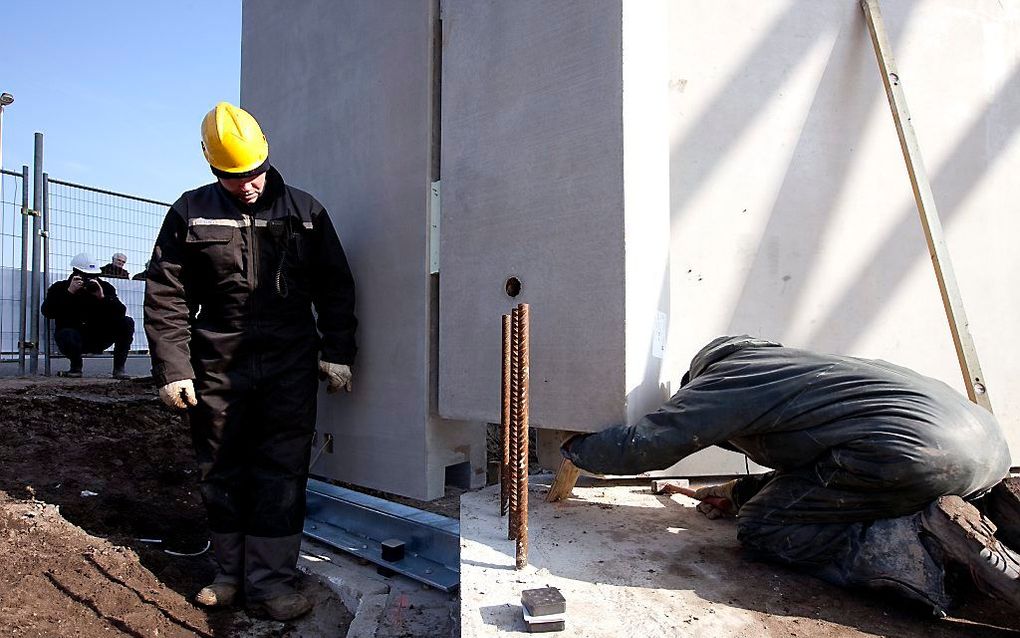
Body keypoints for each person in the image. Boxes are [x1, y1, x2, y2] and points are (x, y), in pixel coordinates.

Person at [562, 335, 1020, 616]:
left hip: (908, 455)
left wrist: (568, 442)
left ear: (701, 372)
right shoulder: (807, 370)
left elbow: (651, 443)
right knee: (857, 483)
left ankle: (914, 551)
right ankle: (991, 515)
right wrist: (732, 491)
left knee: (766, 526)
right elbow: (817, 474)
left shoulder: (729, 376)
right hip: (989, 452)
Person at [144, 102, 357, 621]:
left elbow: (335, 286)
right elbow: (166, 295)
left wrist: (337, 352)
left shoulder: (306, 213)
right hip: (216, 363)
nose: (247, 185)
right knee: (221, 466)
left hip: (289, 363)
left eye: (254, 172)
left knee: (281, 472)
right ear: (212, 168)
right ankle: (227, 574)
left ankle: (272, 583)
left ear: (266, 156)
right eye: (232, 176)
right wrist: (173, 368)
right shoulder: (189, 213)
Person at [41, 252, 134, 379]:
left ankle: (119, 369)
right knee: (67, 332)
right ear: (75, 273)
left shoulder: (105, 288)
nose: (89, 280)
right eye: (85, 276)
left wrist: (102, 297)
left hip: (98, 337)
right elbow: (47, 311)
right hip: (72, 338)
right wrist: (69, 293)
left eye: (93, 276)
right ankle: (75, 368)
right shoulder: (60, 287)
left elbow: (121, 312)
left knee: (127, 322)